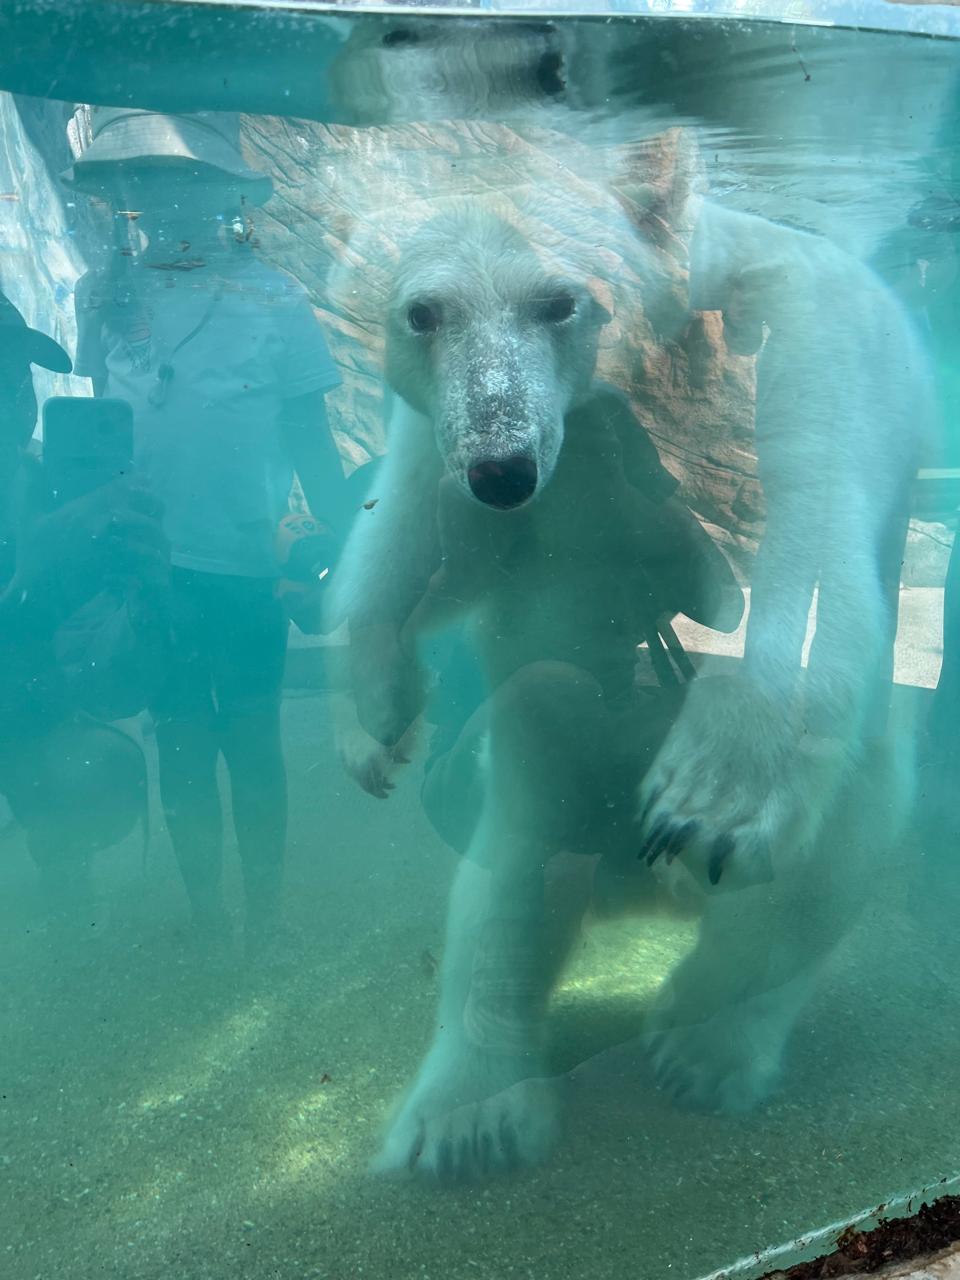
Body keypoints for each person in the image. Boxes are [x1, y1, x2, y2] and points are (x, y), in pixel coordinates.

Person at [63, 109, 352, 957]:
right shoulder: (105, 293)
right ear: (127, 197)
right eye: (145, 181)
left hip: (245, 562)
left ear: (220, 190)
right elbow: (98, 434)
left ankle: (262, 915)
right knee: (182, 741)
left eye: (181, 178)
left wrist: (345, 537)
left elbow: (310, 436)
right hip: (151, 567)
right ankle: (208, 916)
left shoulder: (272, 296)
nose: (163, 197)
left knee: (253, 740)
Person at [0, 289, 168, 915]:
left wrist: (143, 574)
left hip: (34, 706)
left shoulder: (37, 478)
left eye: (17, 371)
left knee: (76, 790)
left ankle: (66, 903)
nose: (13, 391)